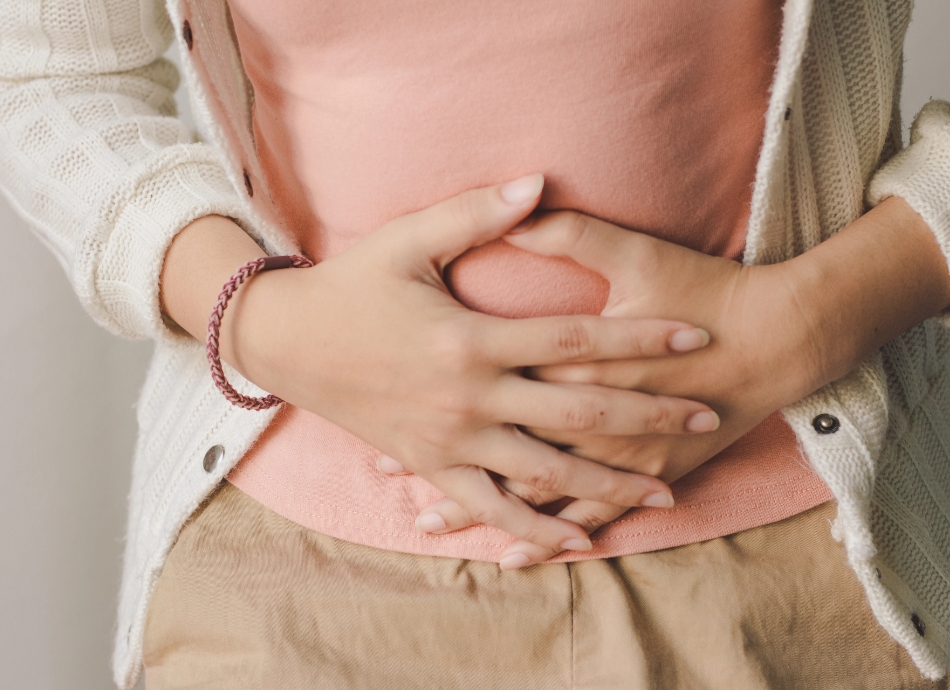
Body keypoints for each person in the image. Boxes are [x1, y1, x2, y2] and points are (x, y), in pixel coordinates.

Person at [1, 0, 949, 687]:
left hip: (796, 573)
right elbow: (50, 78)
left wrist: (806, 322)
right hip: (293, 595)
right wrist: (264, 320)